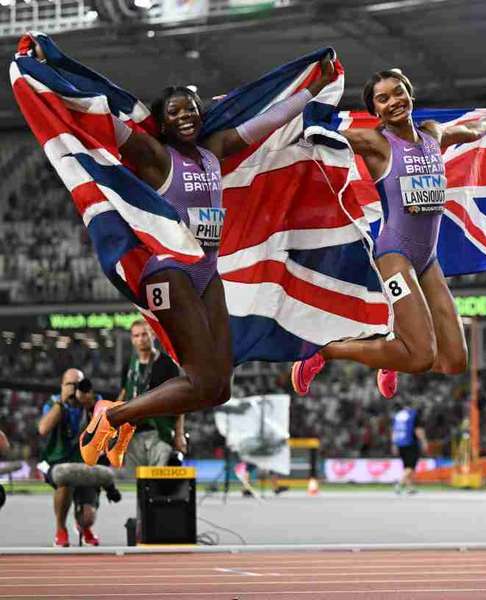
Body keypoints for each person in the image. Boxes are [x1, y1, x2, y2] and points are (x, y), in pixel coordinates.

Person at [25, 37, 339, 467]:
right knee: (199, 380)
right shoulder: (154, 155)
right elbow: (98, 112)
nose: (185, 114)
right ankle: (112, 416)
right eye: (174, 111)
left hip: (207, 272)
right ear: (163, 123)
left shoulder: (215, 151)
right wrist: (56, 71)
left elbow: (270, 119)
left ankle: (121, 416)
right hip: (168, 270)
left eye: (190, 107)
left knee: (218, 388)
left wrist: (312, 89)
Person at [291, 68, 486, 398]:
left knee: (454, 361)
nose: (394, 102)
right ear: (375, 110)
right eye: (383, 98)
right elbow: (319, 135)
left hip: (428, 260)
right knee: (420, 357)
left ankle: (393, 354)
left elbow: (472, 130)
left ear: (410, 94)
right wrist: (292, 111)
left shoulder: (433, 134)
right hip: (395, 256)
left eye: (398, 92)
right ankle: (326, 351)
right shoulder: (376, 143)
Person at [37, 369, 120, 547]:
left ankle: (84, 526)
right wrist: (61, 402)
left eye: (79, 385)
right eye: (70, 385)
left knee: (88, 517)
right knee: (64, 481)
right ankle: (61, 529)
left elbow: (110, 435)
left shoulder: (95, 401)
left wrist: (89, 407)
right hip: (57, 461)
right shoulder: (54, 402)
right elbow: (43, 429)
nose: (75, 389)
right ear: (62, 386)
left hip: (86, 462)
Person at [119, 319, 185, 471]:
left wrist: (179, 433)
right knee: (134, 481)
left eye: (144, 334)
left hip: (160, 430)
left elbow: (180, 401)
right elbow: (123, 394)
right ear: (132, 339)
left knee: (159, 480)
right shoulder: (128, 366)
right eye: (136, 336)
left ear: (153, 335)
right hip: (132, 432)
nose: (141, 339)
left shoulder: (167, 364)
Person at [392, 402, 427, 495]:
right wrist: (424, 441)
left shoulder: (398, 416)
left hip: (400, 443)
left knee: (406, 466)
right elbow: (418, 430)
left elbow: (394, 431)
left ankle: (410, 488)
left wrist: (394, 444)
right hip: (410, 443)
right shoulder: (413, 415)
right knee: (411, 466)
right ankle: (399, 484)